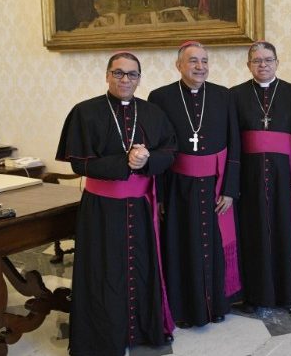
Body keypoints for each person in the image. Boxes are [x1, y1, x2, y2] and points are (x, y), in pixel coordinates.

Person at [56, 51, 177, 355]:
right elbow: (79, 164)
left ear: (139, 78)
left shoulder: (152, 112)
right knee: (103, 272)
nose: (126, 79)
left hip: (140, 207)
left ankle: (143, 330)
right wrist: (125, 160)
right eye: (119, 73)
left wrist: (147, 158)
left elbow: (170, 152)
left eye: (132, 74)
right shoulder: (85, 112)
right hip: (101, 209)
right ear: (107, 75)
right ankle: (103, 337)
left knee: (142, 268)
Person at [148, 41, 242, 329]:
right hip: (178, 188)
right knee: (180, 244)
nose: (200, 67)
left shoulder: (223, 95)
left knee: (213, 246)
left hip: (214, 187)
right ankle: (183, 306)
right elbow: (158, 148)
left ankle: (216, 304)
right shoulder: (160, 97)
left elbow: (234, 144)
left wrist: (229, 189)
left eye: (204, 61)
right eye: (193, 61)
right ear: (179, 65)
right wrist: (161, 195)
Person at [232, 41, 291, 312]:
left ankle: (287, 292)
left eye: (268, 59)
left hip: (283, 175)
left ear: (277, 62)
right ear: (248, 65)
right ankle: (255, 294)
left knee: (284, 231)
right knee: (252, 232)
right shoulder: (236, 95)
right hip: (249, 177)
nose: (262, 65)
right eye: (256, 60)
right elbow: (233, 141)